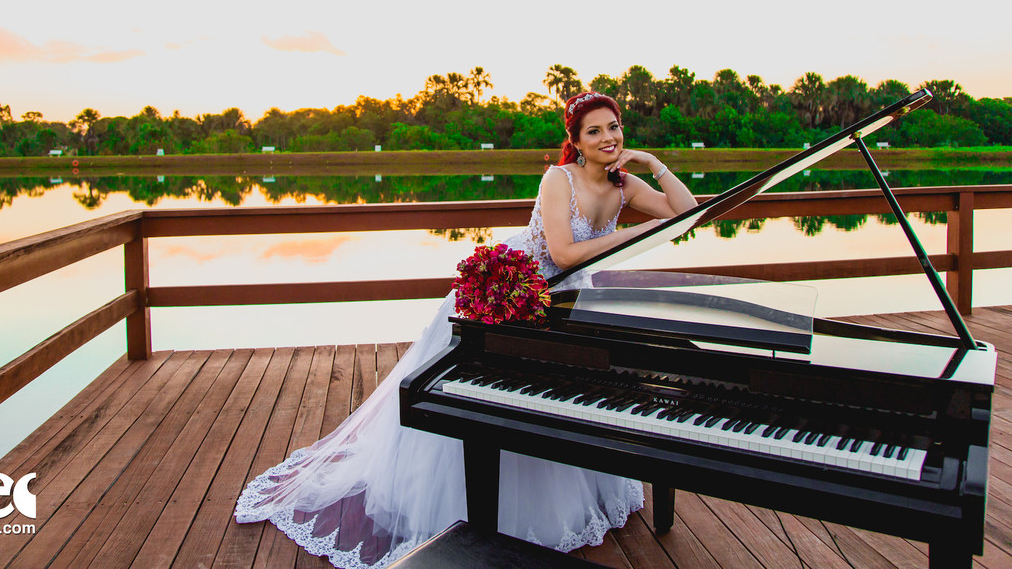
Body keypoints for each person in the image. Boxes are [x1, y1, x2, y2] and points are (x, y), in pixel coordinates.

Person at [234, 91, 696, 569]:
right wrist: (634, 233)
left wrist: (654, 163)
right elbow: (560, 254)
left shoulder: (626, 185)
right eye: (594, 131)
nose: (608, 138)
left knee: (561, 398)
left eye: (614, 128)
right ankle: (463, 511)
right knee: (491, 397)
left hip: (569, 302)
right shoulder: (559, 179)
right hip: (516, 296)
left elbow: (687, 212)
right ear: (575, 141)